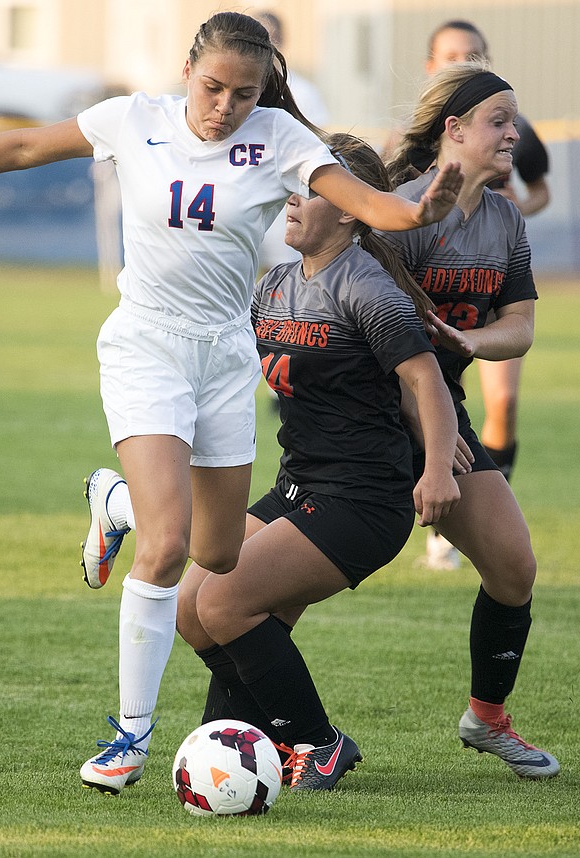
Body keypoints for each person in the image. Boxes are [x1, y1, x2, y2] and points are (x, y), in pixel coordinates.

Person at [0, 12, 463, 795]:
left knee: (218, 555)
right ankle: (127, 739)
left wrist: (420, 210)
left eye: (243, 94)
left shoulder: (278, 137)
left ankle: (118, 506)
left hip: (223, 359)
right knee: (170, 548)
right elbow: (23, 146)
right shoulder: (131, 120)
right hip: (146, 344)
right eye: (213, 88)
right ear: (186, 70)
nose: (225, 107)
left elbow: (371, 207)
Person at [172, 131, 462, 790]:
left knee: (223, 604)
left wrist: (439, 466)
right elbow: (223, 366)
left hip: (362, 501)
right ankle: (251, 741)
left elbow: (426, 385)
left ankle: (317, 742)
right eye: (294, 187)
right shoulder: (273, 285)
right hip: (298, 488)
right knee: (192, 608)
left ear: (352, 209)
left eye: (312, 190)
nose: (293, 201)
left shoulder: (366, 289)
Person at [380, 62, 560, 779]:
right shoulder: (401, 212)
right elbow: (372, 348)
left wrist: (470, 344)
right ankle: (262, 723)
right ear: (453, 131)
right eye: (499, 120)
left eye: (513, 120)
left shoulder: (505, 219)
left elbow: (518, 326)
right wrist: (430, 437)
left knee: (514, 568)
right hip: (362, 418)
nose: (515, 132)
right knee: (279, 584)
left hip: (439, 417)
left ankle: (487, 718)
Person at [421, 19, 552, 567]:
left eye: (473, 55)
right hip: (404, 349)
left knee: (503, 401)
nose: (463, 62)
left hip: (484, 294)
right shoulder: (407, 184)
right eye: (452, 55)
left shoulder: (510, 135)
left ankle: (468, 514)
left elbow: (540, 189)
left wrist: (511, 215)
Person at [254, 9, 331, 272]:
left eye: (271, 38)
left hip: (285, 195)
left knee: (279, 273)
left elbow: (319, 145)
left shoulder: (303, 92)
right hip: (245, 191)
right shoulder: (237, 89)